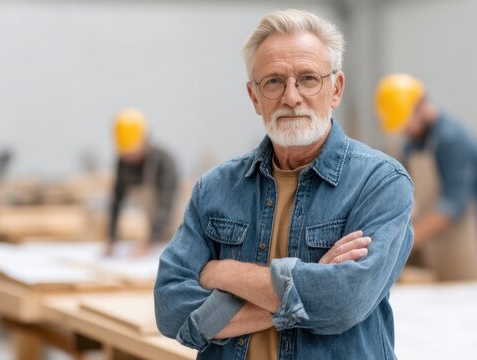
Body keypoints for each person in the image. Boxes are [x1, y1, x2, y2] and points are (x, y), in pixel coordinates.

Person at [154, 9, 413, 360]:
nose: (291, 97)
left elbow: (343, 302)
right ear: (254, 97)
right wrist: (308, 287)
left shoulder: (379, 182)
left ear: (335, 89)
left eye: (308, 79)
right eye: (274, 81)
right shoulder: (214, 189)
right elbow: (170, 307)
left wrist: (224, 272)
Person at [374, 73, 477, 279]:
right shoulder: (413, 143)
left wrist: (405, 243)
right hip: (442, 242)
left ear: (422, 107)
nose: (405, 131)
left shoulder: (452, 139)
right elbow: (409, 194)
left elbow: (453, 204)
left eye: (407, 123)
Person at [107, 108, 179, 256]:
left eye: (132, 151)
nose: (129, 157)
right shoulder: (123, 164)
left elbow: (166, 205)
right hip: (153, 236)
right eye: (125, 152)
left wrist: (151, 241)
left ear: (144, 140)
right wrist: (111, 239)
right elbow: (116, 202)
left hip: (178, 230)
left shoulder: (163, 162)